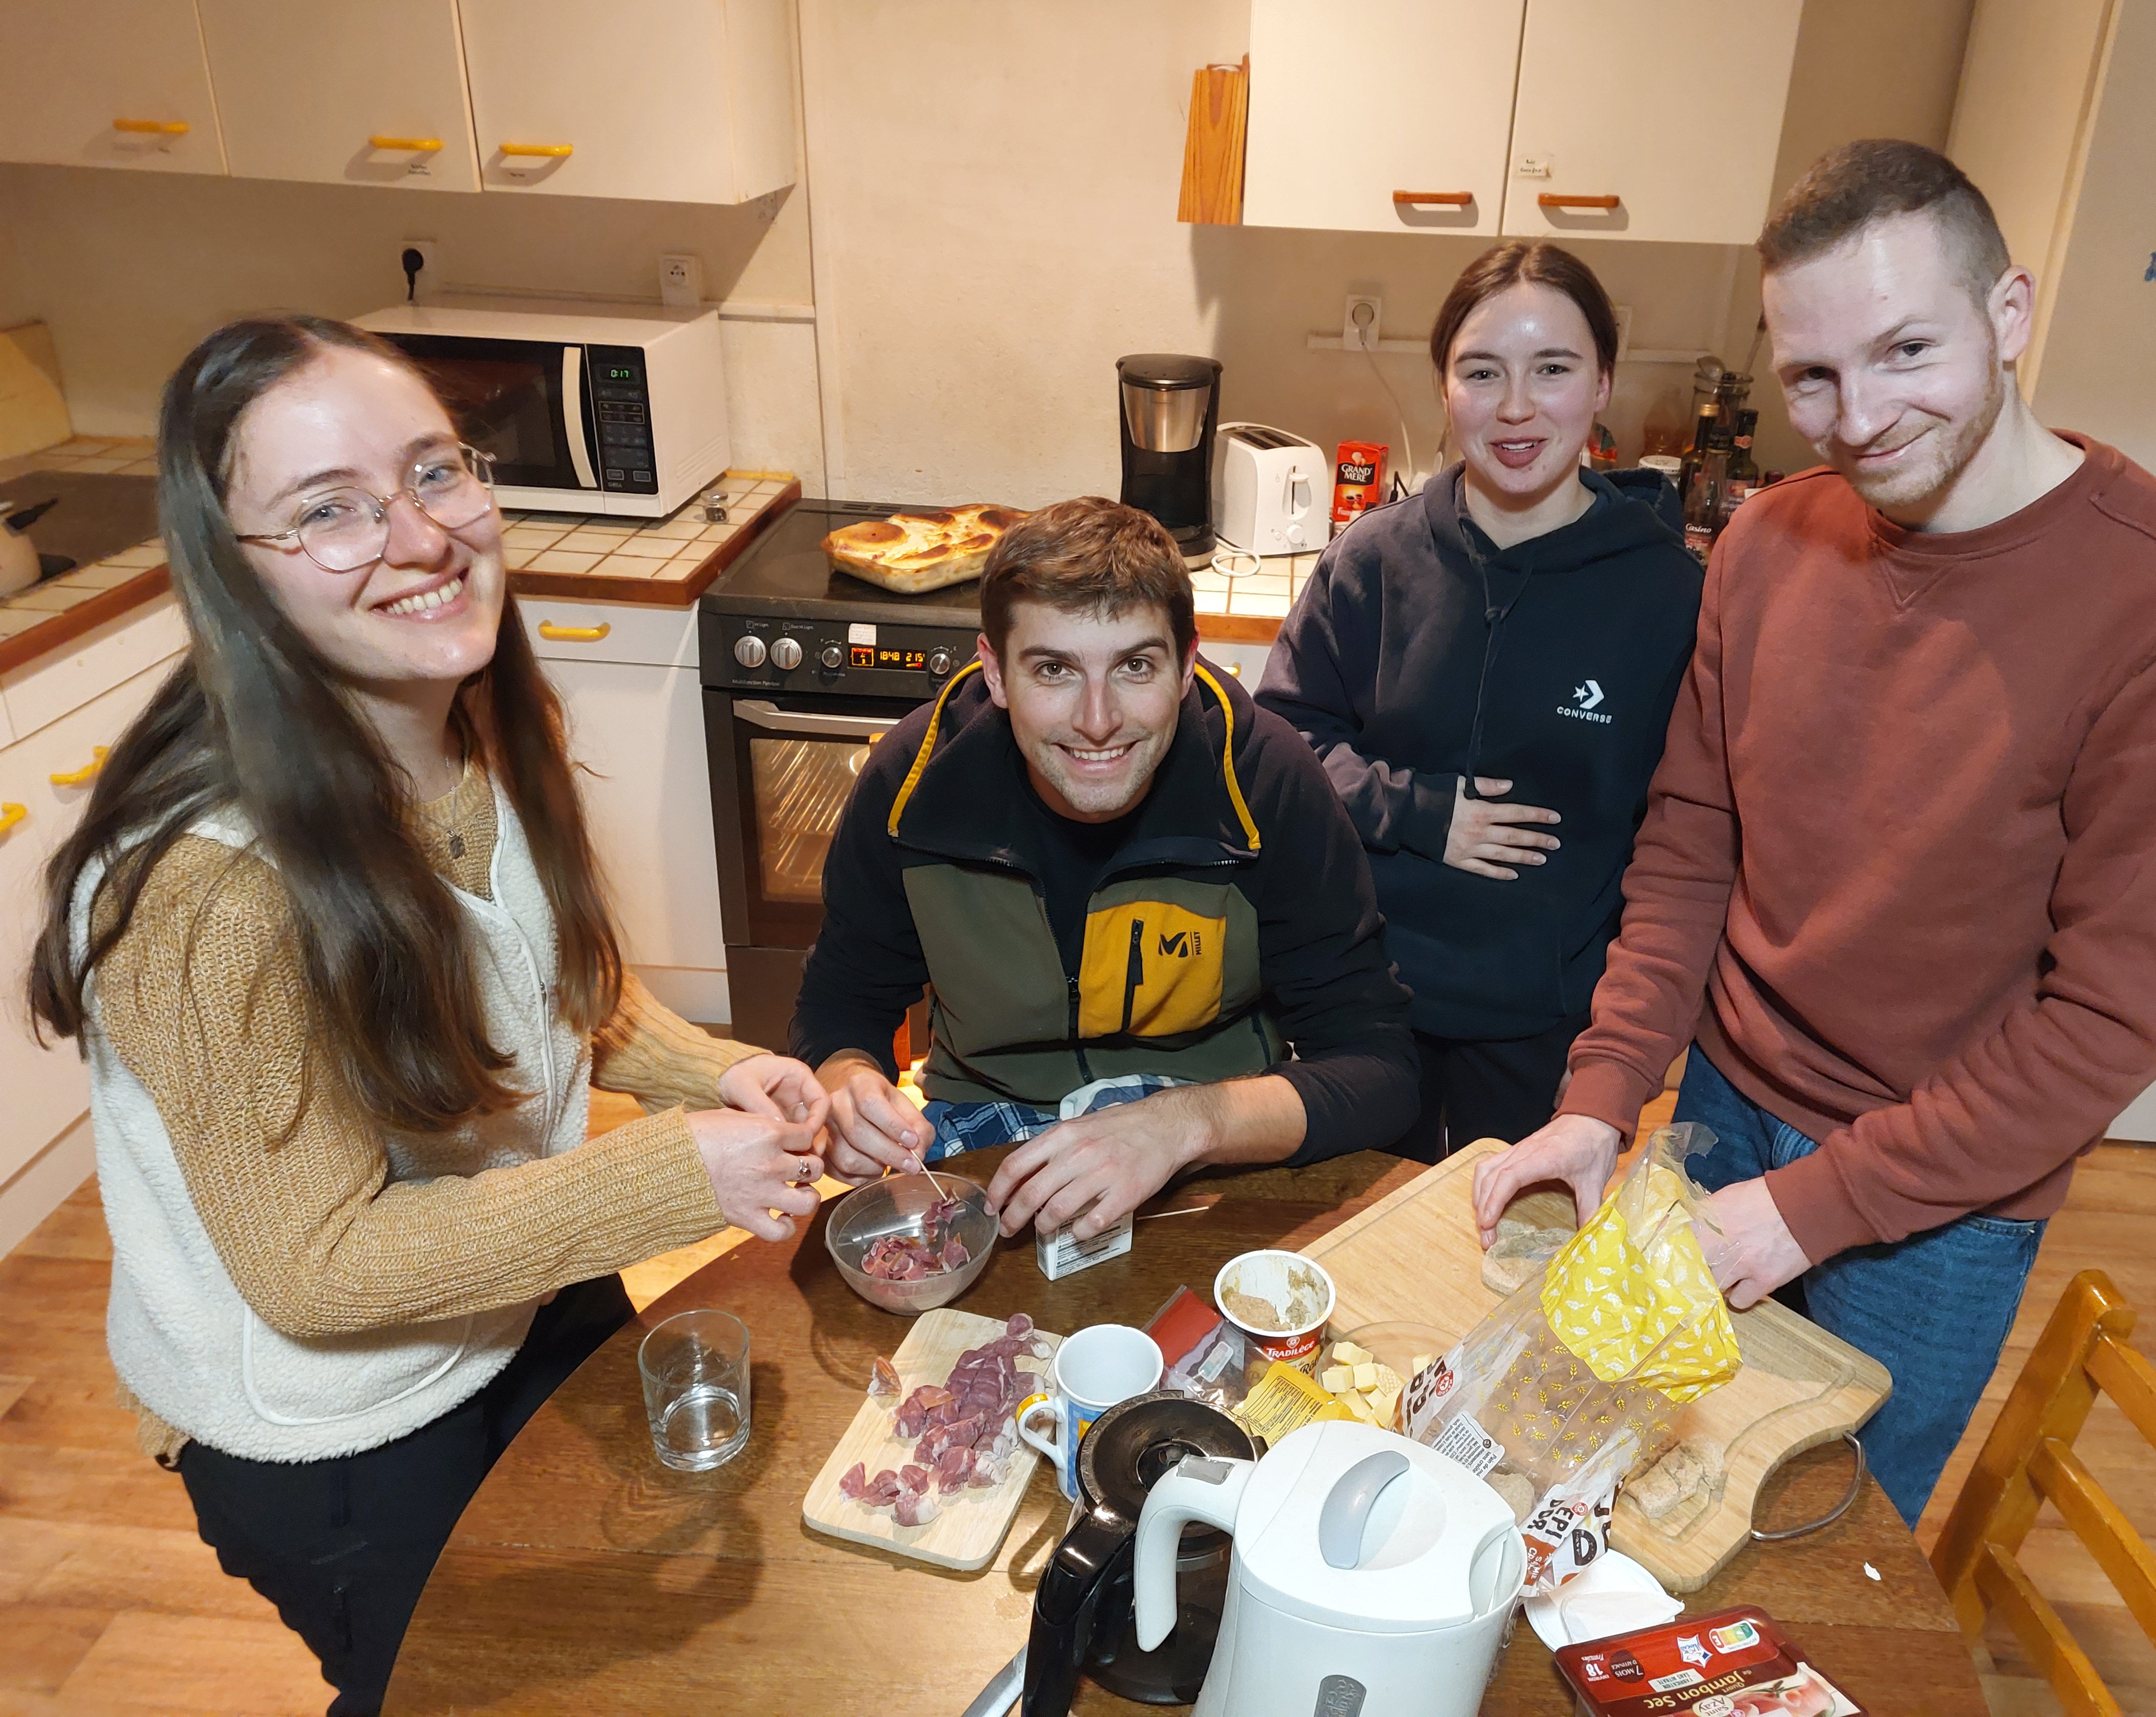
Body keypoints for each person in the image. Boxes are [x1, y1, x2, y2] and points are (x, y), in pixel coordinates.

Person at [1470, 139, 2156, 1525]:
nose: (1857, 419)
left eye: (1907, 349)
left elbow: (2108, 1023)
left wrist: (1814, 1208)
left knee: (1819, 1542)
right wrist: (1600, 1092)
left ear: (2009, 314)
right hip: (1723, 1107)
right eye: (1812, 375)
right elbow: (1692, 846)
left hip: (1946, 1201)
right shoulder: (1767, 543)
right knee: (1637, 1495)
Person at [27, 316, 831, 1715]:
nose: (418, 537)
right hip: (342, 1432)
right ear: (233, 567)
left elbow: (555, 986)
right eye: (328, 510)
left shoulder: (471, 722)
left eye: (433, 471)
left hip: (523, 1292)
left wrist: (725, 1076)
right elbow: (316, 1268)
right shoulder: (208, 892)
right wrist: (668, 1175)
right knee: (453, 1690)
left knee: (613, 1659)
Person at [790, 496, 1420, 1238]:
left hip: (1216, 1132)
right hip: (984, 1125)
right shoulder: (911, 784)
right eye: (1054, 669)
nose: (1098, 721)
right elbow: (840, 1004)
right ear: (995, 673)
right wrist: (846, 1083)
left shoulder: (1267, 781)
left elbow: (1380, 1066)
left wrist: (1184, 1124)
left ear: (1186, 667)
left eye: (1135, 666)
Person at [1257, 241, 1700, 1162]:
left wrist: (1618, 1050)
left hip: (1551, 1026)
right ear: (1445, 387)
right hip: (1364, 1004)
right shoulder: (1372, 560)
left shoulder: (1669, 596)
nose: (1516, 407)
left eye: (1553, 369)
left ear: (1604, 384)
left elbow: (1684, 843)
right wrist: (1420, 813)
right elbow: (1283, 743)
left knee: (1510, 1244)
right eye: (1482, 371)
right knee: (1352, 1234)